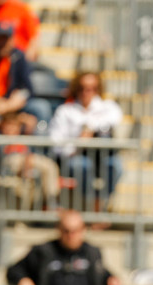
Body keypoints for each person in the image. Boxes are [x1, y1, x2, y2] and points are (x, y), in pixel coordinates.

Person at [48, 71, 124, 218]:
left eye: (92, 88)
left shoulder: (107, 107)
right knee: (81, 166)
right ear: (76, 88)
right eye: (82, 87)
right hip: (75, 156)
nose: (86, 92)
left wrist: (90, 128)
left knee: (116, 166)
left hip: (102, 157)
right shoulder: (65, 111)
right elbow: (56, 142)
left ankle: (99, 204)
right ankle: (91, 208)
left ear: (98, 89)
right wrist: (78, 143)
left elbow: (115, 117)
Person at [0, 111, 61, 210]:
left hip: (28, 164)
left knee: (50, 165)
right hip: (11, 165)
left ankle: (51, 200)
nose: (10, 129)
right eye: (7, 125)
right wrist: (27, 161)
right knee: (17, 160)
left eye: (14, 125)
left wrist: (27, 124)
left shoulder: (23, 138)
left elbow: (29, 151)